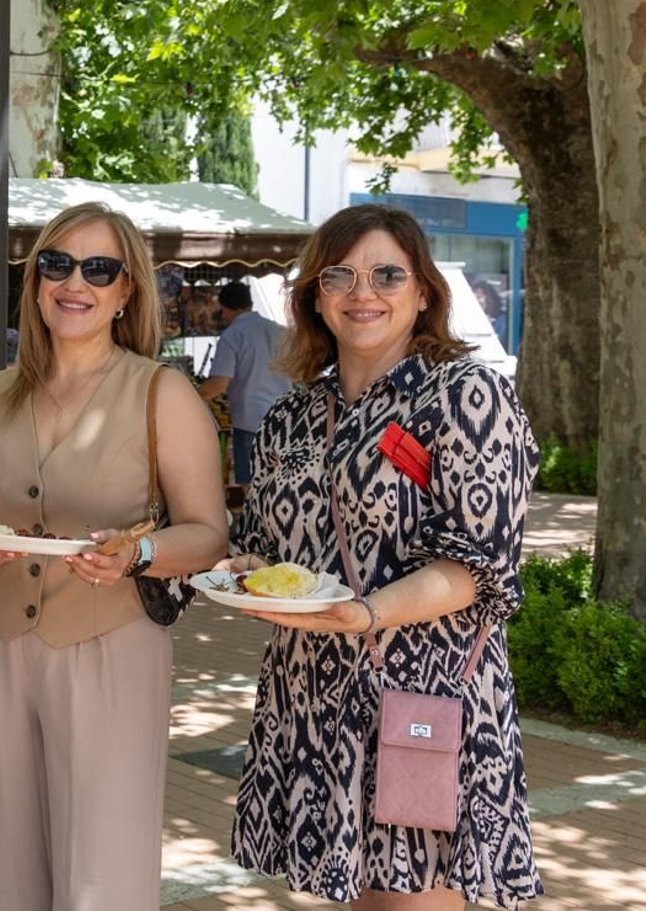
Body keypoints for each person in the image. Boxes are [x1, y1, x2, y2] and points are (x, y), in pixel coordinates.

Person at [227, 205, 542, 909]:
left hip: (421, 696)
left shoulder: (466, 395)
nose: (360, 291)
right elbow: (266, 544)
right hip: (314, 693)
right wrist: (239, 573)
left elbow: (480, 564)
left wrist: (367, 611)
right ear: (314, 294)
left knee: (412, 900)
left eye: (386, 274)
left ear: (424, 291)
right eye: (338, 274)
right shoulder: (291, 416)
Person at [0, 202, 229, 909]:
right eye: (58, 263)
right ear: (36, 278)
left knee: (100, 873)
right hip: (4, 645)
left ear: (127, 290)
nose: (76, 282)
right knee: (3, 867)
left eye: (100, 268)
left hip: (114, 649)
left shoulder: (162, 393)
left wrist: (141, 552)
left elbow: (208, 533)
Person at [197, 280, 292, 486]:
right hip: (285, 420)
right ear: (249, 304)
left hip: (250, 423)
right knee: (282, 485)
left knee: (253, 488)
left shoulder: (232, 335)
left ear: (224, 309)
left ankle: (256, 520)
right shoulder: (280, 331)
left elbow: (219, 385)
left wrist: (190, 396)